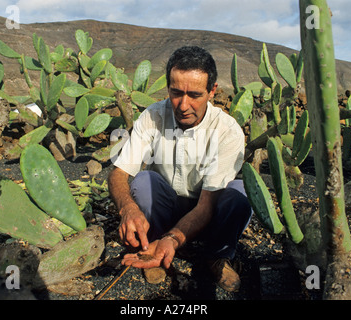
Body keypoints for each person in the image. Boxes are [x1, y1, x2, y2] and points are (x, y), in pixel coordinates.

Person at [108, 46, 252, 292]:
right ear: (168, 88)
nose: (184, 105)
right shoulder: (152, 116)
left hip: (206, 211)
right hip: (167, 207)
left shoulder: (227, 131)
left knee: (240, 194)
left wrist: (173, 239)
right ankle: (151, 247)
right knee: (143, 181)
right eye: (176, 93)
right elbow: (118, 172)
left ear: (212, 91)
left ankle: (215, 256)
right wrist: (128, 208)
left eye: (194, 94)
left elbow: (206, 206)